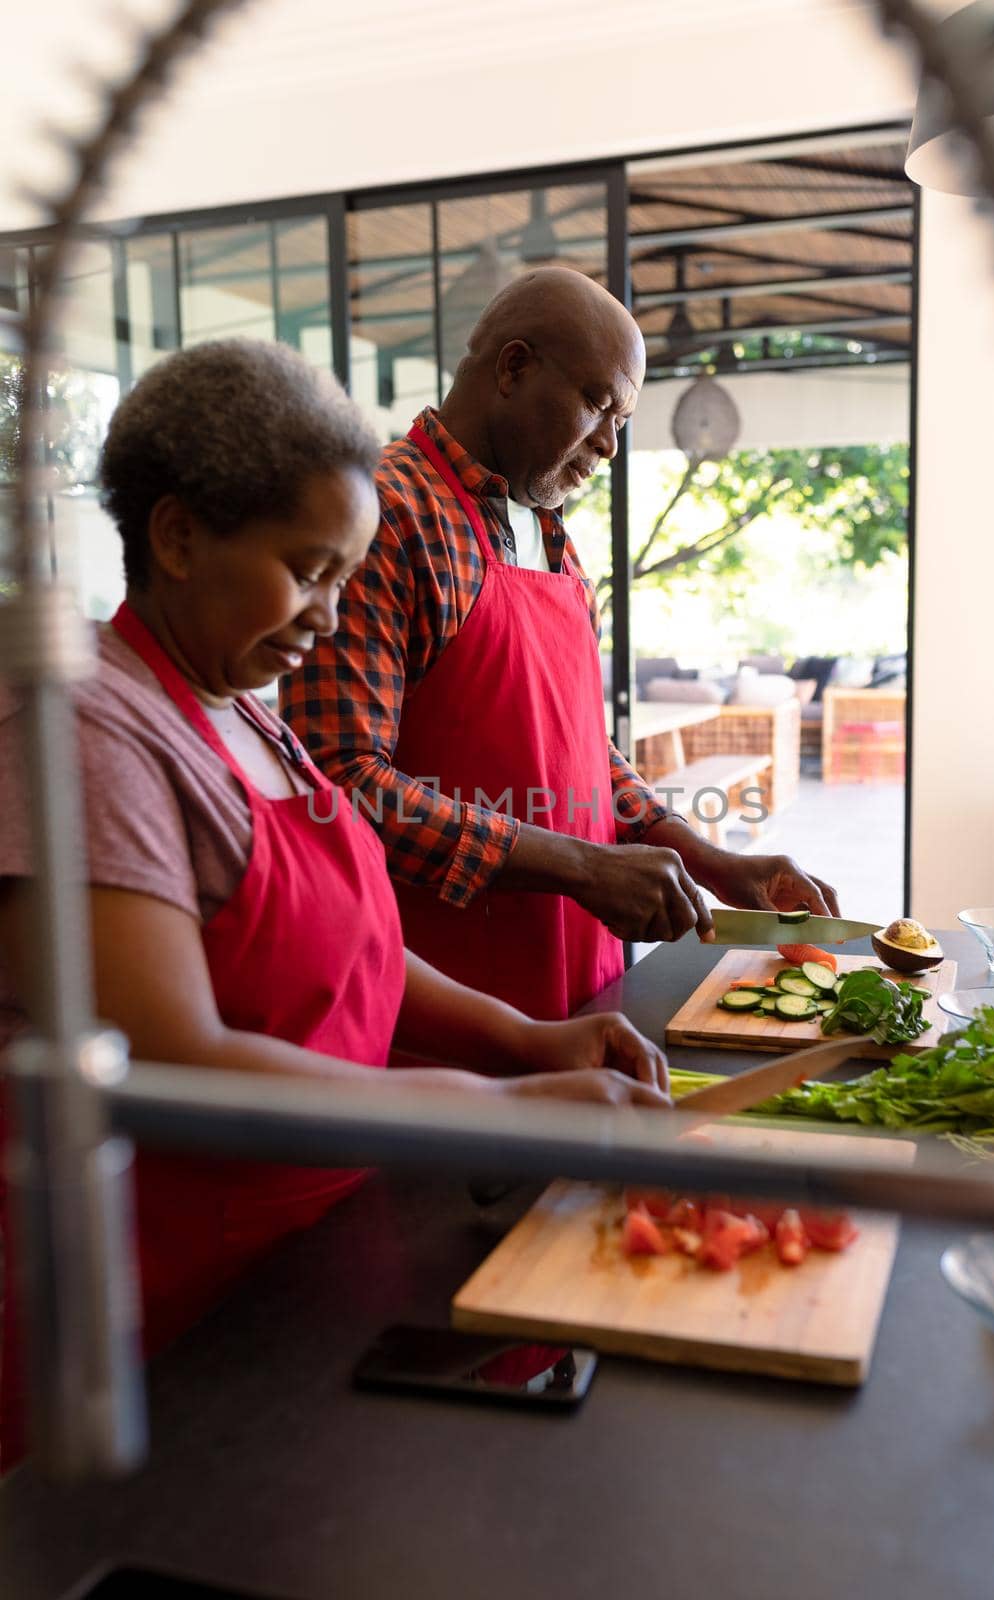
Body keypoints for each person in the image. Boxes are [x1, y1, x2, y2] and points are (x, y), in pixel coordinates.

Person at [0, 339, 670, 1470]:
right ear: (176, 537)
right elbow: (172, 1063)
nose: (327, 613)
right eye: (306, 569)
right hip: (160, 1319)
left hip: (295, 1263)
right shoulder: (85, 734)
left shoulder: (242, 708)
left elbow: (356, 946)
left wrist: (523, 1037)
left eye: (343, 576)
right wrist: (500, 1107)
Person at [281, 267, 838, 1022]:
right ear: (513, 368)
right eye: (598, 404)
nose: (609, 444)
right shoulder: (385, 514)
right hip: (448, 1019)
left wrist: (711, 863)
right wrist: (578, 867)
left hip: (589, 991)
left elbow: (579, 747)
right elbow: (340, 785)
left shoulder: (549, 536)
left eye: (621, 419)